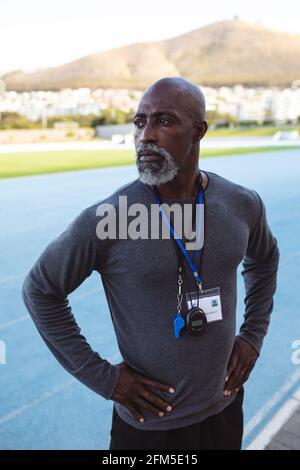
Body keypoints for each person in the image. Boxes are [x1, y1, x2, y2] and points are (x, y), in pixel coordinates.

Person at [22, 77, 279, 450]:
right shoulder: (108, 218)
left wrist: (253, 337)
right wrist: (106, 380)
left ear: (199, 131)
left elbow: (265, 259)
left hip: (223, 411)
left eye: (164, 121)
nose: (146, 136)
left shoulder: (241, 204)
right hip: (149, 430)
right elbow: (40, 290)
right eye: (139, 122)